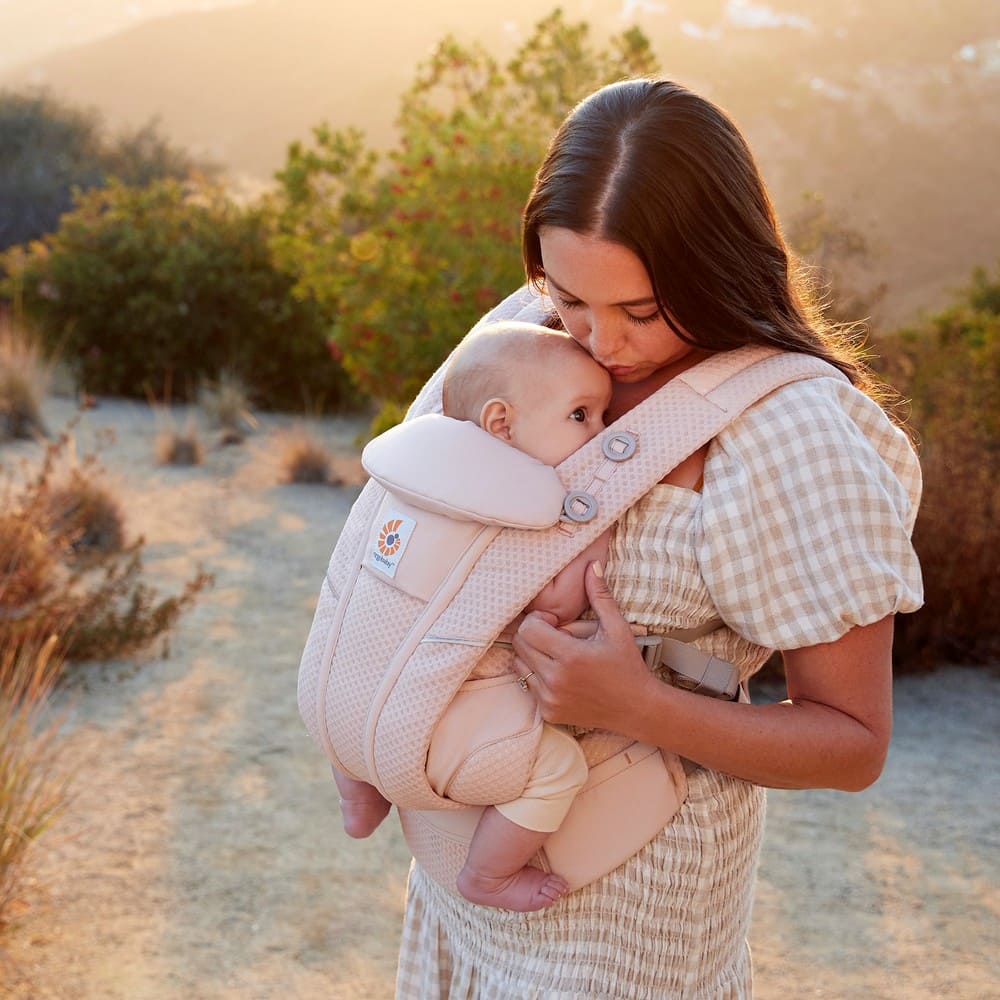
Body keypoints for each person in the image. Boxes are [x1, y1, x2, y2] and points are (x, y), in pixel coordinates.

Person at [392, 78, 923, 998]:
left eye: (640, 312)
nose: (599, 344)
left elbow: (854, 742)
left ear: (719, 268)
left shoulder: (788, 429)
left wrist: (638, 705)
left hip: (630, 923)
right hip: (467, 874)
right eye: (570, 299)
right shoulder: (519, 333)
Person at [332, 320, 614, 912]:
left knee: (352, 688)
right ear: (500, 424)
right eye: (583, 415)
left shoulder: (409, 473)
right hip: (430, 730)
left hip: (332, 701)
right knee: (558, 767)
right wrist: (593, 541)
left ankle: (358, 797)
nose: (603, 431)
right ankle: (487, 875)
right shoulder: (523, 505)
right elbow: (557, 605)